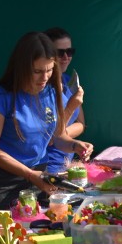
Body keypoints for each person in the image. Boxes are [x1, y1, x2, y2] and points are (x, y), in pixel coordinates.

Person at [0, 32, 93, 217]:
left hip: (40, 177)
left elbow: (57, 137)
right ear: (22, 67)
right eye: (37, 71)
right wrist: (30, 174)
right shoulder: (2, 96)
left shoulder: (51, 91)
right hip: (5, 181)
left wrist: (75, 145)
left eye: (49, 70)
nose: (45, 77)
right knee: (2, 240)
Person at [41, 27, 86, 173]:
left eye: (70, 51)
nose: (66, 57)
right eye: (60, 53)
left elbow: (81, 124)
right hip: (46, 166)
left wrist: (62, 134)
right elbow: (48, 138)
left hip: (68, 164)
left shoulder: (69, 81)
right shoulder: (41, 88)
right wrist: (71, 107)